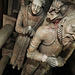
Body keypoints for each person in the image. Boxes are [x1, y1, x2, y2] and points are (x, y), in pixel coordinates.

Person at [24, 2, 75, 75]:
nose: (74, 36)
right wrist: (46, 59)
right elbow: (29, 54)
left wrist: (57, 62)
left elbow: (63, 60)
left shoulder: (72, 44)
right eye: (73, 29)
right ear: (64, 21)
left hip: (45, 67)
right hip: (33, 62)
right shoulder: (44, 32)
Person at [10, 0, 46, 70]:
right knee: (16, 50)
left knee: (25, 55)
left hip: (31, 41)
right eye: (34, 5)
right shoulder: (23, 10)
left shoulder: (43, 16)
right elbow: (17, 27)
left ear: (42, 7)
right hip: (21, 36)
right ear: (30, 3)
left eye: (39, 7)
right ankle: (13, 64)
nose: (35, 9)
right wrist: (24, 30)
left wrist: (34, 33)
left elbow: (42, 33)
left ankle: (20, 66)